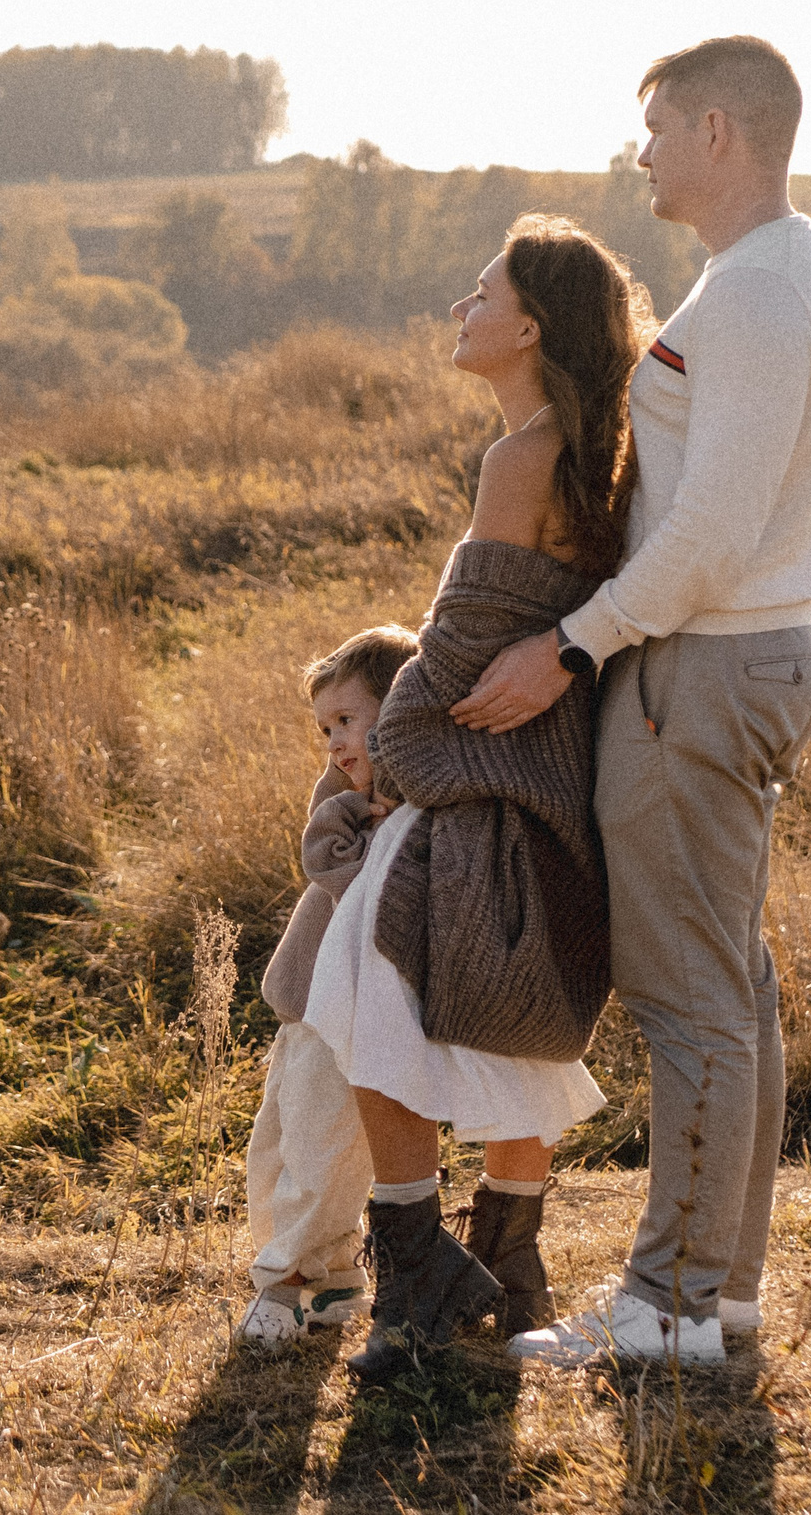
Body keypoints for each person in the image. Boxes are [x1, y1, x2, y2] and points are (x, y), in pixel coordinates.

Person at [454, 38, 811, 1367]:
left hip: (701, 665)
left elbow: (709, 536)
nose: (641, 154)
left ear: (720, 132)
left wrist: (570, 646)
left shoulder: (750, 296)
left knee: (688, 996)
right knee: (729, 984)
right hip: (745, 655)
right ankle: (717, 1292)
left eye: (658, 127)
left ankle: (667, 1308)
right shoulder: (787, 269)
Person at [301, 214, 649, 1379]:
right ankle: (509, 1262)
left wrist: (386, 756)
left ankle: (417, 1270)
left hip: (483, 787)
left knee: (355, 988)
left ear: (531, 325)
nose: (461, 308)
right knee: (502, 1019)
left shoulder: (520, 459)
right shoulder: (599, 449)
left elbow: (444, 666)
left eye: (480, 291)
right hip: (552, 784)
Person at [236, 625, 418, 1345]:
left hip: (349, 1012)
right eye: (325, 730)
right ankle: (335, 1279)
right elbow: (324, 860)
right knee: (278, 1146)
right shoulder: (346, 798)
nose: (335, 743)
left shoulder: (407, 810)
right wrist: (348, 803)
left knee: (324, 1150)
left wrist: (376, 820)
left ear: (397, 714)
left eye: (349, 721)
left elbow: (365, 894)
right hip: (304, 1004)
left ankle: (286, 1284)